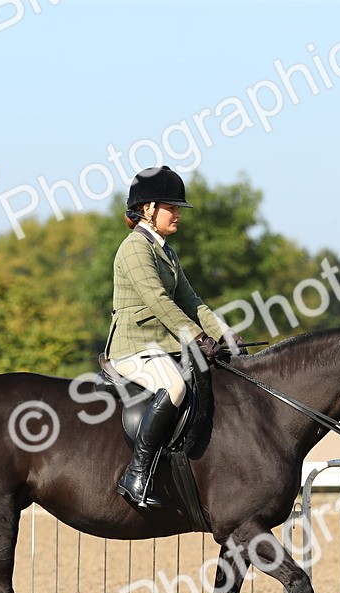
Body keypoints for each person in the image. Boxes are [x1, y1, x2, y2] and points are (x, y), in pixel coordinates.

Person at [105, 165, 244, 508]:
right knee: (176, 387)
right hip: (134, 347)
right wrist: (197, 339)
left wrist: (224, 334)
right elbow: (158, 300)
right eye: (172, 207)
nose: (178, 214)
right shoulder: (136, 248)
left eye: (178, 208)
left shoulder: (166, 251)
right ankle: (136, 475)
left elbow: (191, 301)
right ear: (148, 209)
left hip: (162, 347)